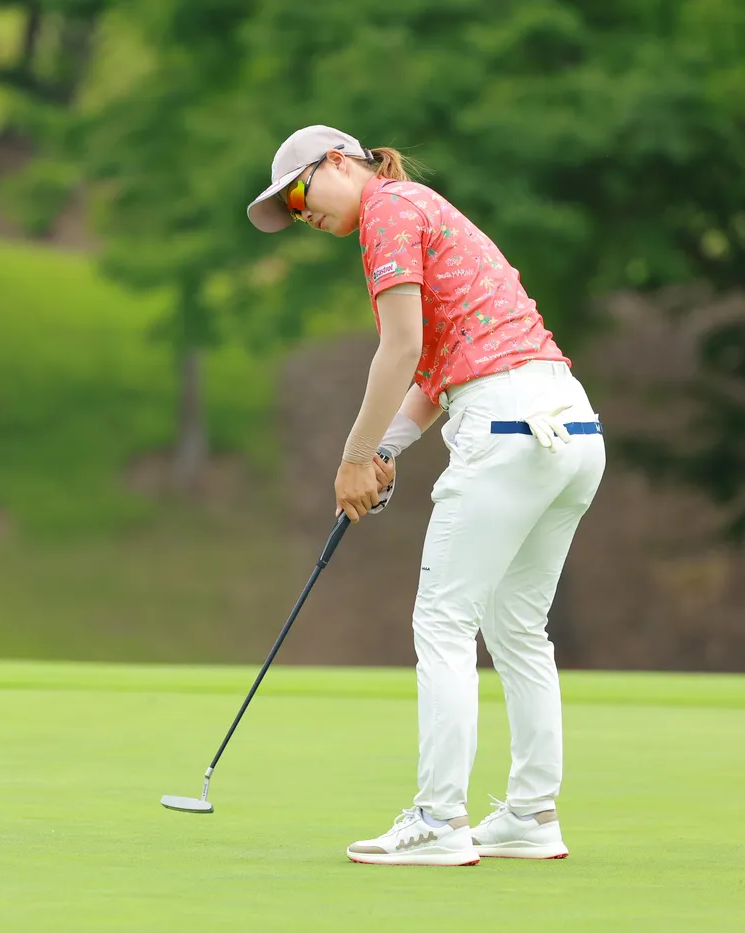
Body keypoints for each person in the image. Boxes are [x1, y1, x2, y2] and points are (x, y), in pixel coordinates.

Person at [247, 125, 606, 866]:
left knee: (444, 621)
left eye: (301, 193)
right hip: (572, 426)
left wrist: (353, 458)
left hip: (506, 427)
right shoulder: (421, 208)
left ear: (338, 162)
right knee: (517, 627)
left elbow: (401, 347)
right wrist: (385, 449)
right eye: (292, 210)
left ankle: (441, 819)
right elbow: (439, 368)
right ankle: (531, 814)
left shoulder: (385, 210)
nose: (303, 213)